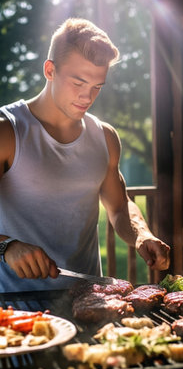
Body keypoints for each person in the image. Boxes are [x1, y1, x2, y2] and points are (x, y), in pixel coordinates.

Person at [0, 18, 170, 292]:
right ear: (50, 70)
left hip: (88, 300)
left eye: (96, 87)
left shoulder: (105, 137)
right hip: (14, 306)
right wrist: (7, 246)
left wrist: (142, 235)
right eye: (78, 82)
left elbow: (118, 206)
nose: (86, 97)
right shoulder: (7, 131)